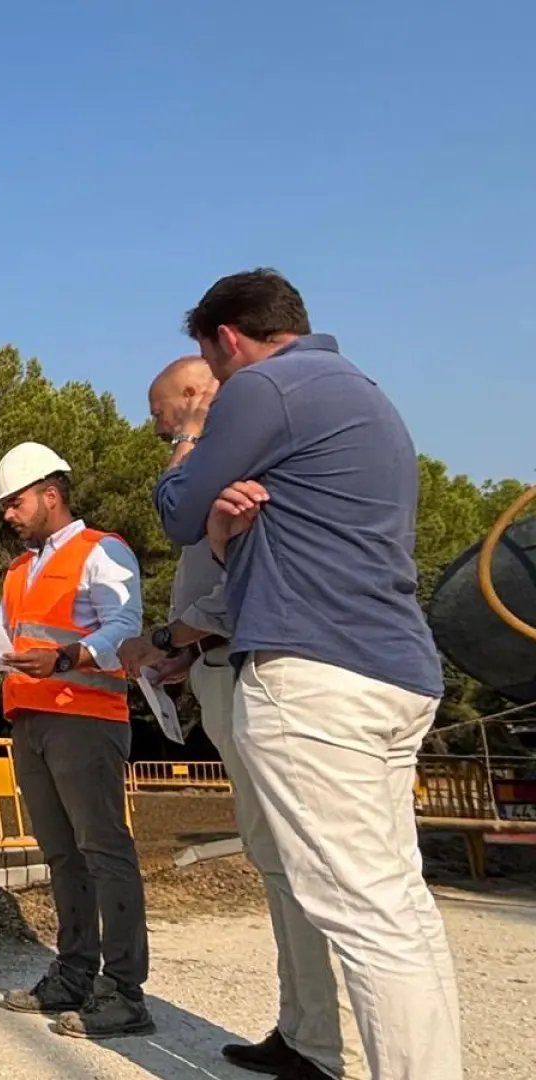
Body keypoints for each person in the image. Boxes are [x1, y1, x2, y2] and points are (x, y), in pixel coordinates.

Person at [153, 269, 460, 1080]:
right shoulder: (364, 393)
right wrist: (231, 541)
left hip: (314, 674)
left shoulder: (267, 386)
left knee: (364, 918)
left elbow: (177, 507)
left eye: (212, 371)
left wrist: (191, 453)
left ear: (226, 341)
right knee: (401, 911)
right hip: (394, 668)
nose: (217, 390)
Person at [124, 356, 365, 1080]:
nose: (155, 425)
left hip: (261, 674)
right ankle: (303, 1031)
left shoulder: (239, 470)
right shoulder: (226, 478)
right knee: (273, 861)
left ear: (197, 397)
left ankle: (327, 1046)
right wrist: (181, 653)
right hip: (222, 670)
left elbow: (252, 586)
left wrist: (169, 638)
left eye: (162, 410)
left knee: (300, 866)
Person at [0, 443, 151, 1039]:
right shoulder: (17, 570)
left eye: (16, 502)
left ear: (50, 495)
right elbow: (4, 636)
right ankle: (75, 973)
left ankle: (125, 989)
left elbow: (124, 626)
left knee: (104, 851)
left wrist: (66, 656)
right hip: (30, 722)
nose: (8, 514)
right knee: (62, 854)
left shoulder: (100, 550)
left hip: (85, 718)